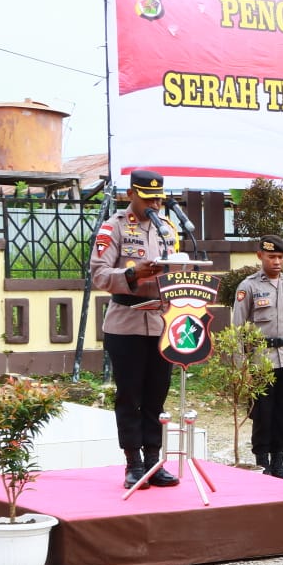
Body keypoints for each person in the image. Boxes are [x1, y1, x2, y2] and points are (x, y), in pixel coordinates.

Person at [89, 169, 180, 490]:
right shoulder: (113, 227)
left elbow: (178, 268)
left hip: (161, 322)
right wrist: (132, 273)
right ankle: (133, 463)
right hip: (124, 324)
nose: (154, 203)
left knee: (157, 395)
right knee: (129, 395)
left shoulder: (168, 228)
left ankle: (154, 461)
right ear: (131, 195)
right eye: (147, 197)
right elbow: (99, 274)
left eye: (158, 197)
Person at [232, 235, 283, 480]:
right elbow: (238, 330)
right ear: (260, 256)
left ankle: (278, 464)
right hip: (260, 360)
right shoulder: (249, 286)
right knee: (262, 414)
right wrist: (240, 367)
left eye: (280, 257)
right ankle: (262, 464)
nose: (277, 261)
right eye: (271, 257)